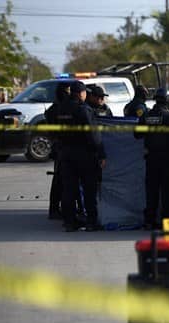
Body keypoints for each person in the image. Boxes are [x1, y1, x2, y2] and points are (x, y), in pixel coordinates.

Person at [56, 81, 106, 232]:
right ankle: (91, 221)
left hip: (65, 153)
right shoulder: (84, 109)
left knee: (69, 189)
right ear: (81, 93)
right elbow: (93, 134)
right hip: (84, 154)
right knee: (89, 188)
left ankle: (69, 222)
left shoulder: (60, 109)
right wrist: (101, 154)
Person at [134, 88, 169, 230]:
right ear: (168, 100)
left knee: (152, 191)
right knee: (168, 192)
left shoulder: (147, 115)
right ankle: (168, 224)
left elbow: (137, 134)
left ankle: (149, 221)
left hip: (151, 158)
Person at [45, 82, 71, 220]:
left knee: (60, 179)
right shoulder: (58, 109)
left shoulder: (55, 108)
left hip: (60, 146)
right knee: (60, 180)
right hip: (61, 146)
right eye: (67, 92)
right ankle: (55, 209)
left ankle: (55, 208)